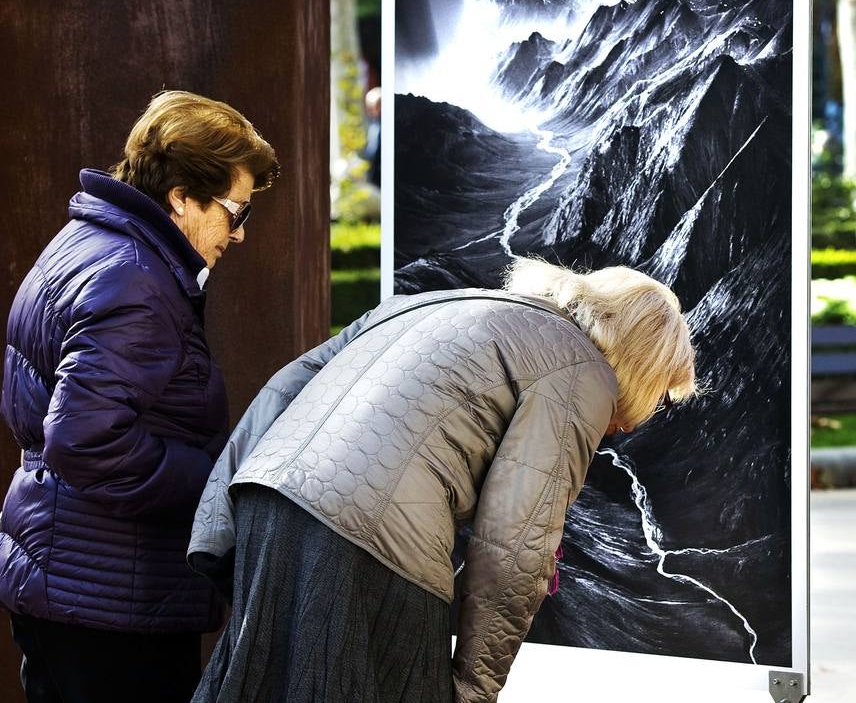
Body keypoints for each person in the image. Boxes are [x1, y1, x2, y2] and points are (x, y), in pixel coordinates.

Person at [188, 259, 697, 703]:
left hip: (267, 499)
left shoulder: (429, 304)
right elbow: (515, 541)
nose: (636, 421)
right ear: (642, 363)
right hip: (376, 542)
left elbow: (285, 387)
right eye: (660, 395)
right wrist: (475, 687)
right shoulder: (582, 371)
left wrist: (216, 526)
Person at [0, 90, 279, 703]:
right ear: (181, 196)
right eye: (236, 212)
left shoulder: (88, 241)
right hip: (110, 604)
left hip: (65, 579)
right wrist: (215, 482)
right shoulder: (136, 279)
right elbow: (84, 439)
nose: (238, 235)